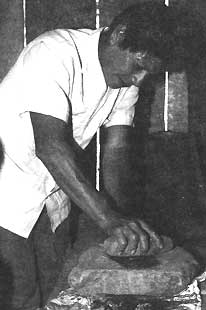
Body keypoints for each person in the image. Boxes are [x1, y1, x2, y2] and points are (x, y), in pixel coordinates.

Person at [0, 2, 204, 309]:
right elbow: (51, 147)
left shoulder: (125, 82)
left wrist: (125, 224)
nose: (140, 79)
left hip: (53, 200)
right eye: (138, 66)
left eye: (150, 71)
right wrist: (108, 219)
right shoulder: (52, 53)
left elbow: (117, 151)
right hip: (6, 195)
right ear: (119, 35)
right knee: (19, 296)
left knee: (53, 294)